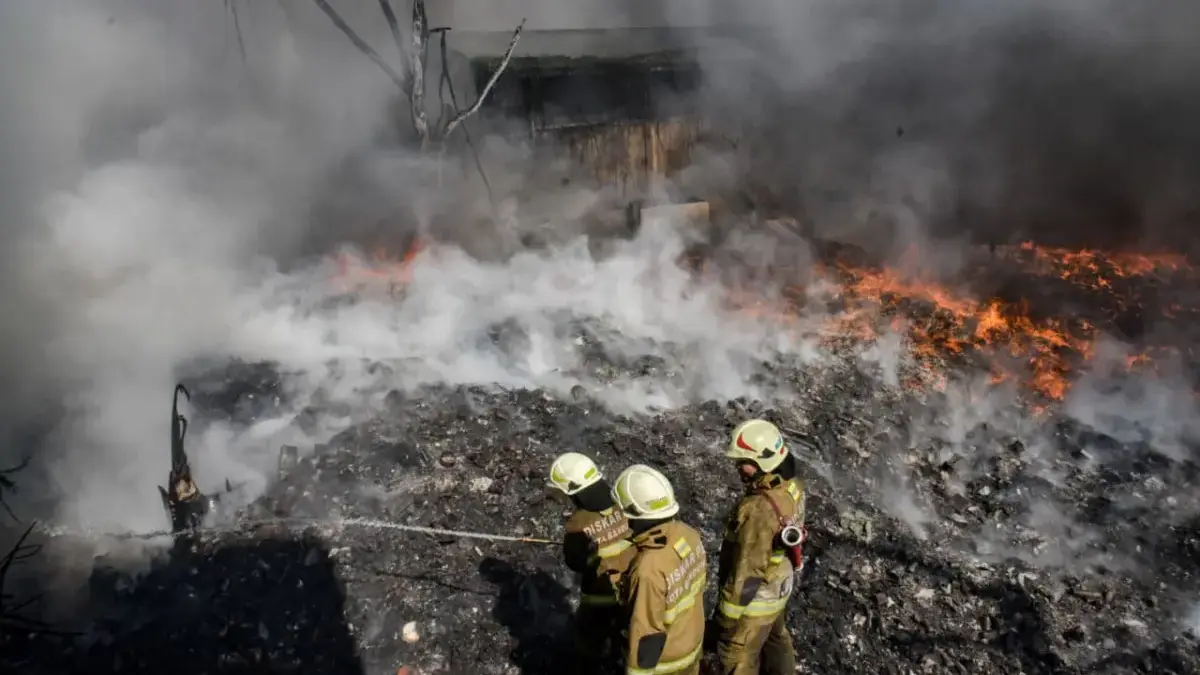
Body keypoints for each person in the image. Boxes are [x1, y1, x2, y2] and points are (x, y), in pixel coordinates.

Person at [711, 419, 805, 675]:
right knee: (777, 640)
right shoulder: (792, 485)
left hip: (755, 602)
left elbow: (747, 573)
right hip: (779, 589)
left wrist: (725, 620)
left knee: (737, 656)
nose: (738, 468)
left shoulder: (758, 510)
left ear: (762, 461)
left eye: (743, 462)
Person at [611, 464, 707, 675]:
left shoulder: (648, 568)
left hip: (665, 663)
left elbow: (645, 634)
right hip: (691, 644)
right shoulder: (689, 535)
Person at [548, 452, 638, 674]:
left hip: (599, 598)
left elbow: (575, 563)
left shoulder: (578, 524)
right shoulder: (623, 503)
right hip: (632, 591)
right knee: (623, 639)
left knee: (589, 645)